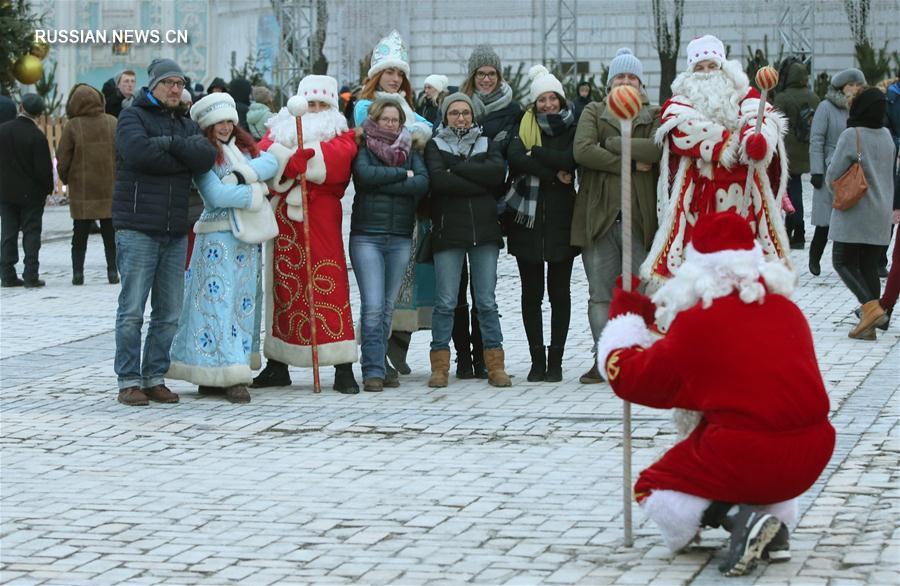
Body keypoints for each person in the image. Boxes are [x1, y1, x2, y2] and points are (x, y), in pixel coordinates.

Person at [595, 211, 835, 577]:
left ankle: (742, 518)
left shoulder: (698, 323)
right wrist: (655, 321)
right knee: (727, 437)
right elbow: (714, 372)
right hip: (812, 454)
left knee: (652, 487)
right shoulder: (787, 310)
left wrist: (626, 320)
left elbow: (631, 378)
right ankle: (772, 524)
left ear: (696, 271)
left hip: (750, 453)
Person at [642, 35, 791, 291]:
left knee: (747, 268)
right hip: (698, 199)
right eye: (699, 68)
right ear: (690, 72)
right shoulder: (680, 100)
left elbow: (762, 119)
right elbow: (680, 127)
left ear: (724, 67)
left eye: (712, 66)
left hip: (747, 199)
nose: (707, 73)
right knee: (696, 274)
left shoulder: (747, 94)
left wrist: (758, 140)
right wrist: (728, 142)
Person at [112, 58, 218, 406]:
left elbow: (204, 156)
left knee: (168, 311)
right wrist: (178, 152)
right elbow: (138, 153)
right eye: (169, 83)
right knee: (132, 310)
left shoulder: (184, 122)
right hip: (138, 226)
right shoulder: (132, 116)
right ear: (153, 85)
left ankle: (154, 375)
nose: (175, 89)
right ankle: (129, 379)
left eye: (180, 83)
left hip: (175, 228)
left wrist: (169, 144)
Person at [167, 93, 278, 404]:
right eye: (219, 122)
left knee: (244, 304)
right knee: (217, 306)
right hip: (216, 239)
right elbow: (215, 195)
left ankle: (232, 366)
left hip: (246, 239)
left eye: (229, 120)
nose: (226, 126)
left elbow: (271, 160)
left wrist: (243, 177)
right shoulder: (204, 156)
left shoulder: (241, 150)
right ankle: (227, 374)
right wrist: (255, 193)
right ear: (207, 125)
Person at [253, 74, 361, 393]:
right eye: (309, 103)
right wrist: (288, 162)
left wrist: (305, 160)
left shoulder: (340, 134)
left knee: (330, 283)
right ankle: (278, 363)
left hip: (321, 216)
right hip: (285, 219)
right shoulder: (280, 129)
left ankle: (342, 365)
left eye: (320, 104)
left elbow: (340, 158)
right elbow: (263, 153)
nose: (313, 110)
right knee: (285, 285)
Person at [573, 48, 661, 384]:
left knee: (639, 291)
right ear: (610, 84)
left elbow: (655, 149)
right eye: (619, 78)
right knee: (600, 294)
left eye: (631, 78)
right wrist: (627, 162)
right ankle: (603, 358)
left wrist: (612, 144)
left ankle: (637, 355)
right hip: (599, 218)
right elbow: (582, 150)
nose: (626, 83)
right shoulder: (594, 111)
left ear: (640, 84)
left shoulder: (652, 116)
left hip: (640, 220)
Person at [354, 30, 434, 384]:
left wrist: (399, 175)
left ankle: (384, 359)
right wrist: (402, 174)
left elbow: (422, 179)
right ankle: (373, 365)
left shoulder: (408, 123)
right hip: (369, 229)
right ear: (376, 74)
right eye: (389, 72)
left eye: (399, 74)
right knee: (374, 303)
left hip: (401, 229)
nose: (395, 78)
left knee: (389, 304)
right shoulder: (362, 111)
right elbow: (366, 175)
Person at [425, 93, 510, 388]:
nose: (460, 118)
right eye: (454, 113)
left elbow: (497, 176)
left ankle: (495, 364)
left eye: (465, 113)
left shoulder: (489, 143)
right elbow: (438, 181)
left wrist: (457, 170)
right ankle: (439, 365)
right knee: (446, 301)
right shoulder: (434, 145)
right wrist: (477, 179)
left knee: (486, 301)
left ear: (473, 116)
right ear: (446, 116)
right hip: (449, 232)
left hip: (484, 231)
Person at [453, 44, 524, 379]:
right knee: (454, 292)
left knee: (485, 293)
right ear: (471, 76)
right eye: (480, 74)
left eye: (491, 74)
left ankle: (482, 355)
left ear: (499, 75)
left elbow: (505, 163)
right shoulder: (455, 106)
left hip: (490, 209)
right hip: (451, 210)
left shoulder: (514, 111)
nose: (485, 79)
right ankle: (462, 359)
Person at [505, 65, 579, 382]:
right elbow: (516, 157)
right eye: (542, 100)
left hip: (563, 221)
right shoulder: (522, 125)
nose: (548, 104)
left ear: (561, 100)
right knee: (531, 295)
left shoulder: (573, 127)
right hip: (527, 222)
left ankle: (557, 361)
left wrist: (537, 152)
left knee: (560, 294)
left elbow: (571, 159)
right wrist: (551, 170)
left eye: (553, 98)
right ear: (534, 103)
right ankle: (537, 360)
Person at [826, 87, 895, 340]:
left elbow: (833, 175)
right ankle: (869, 329)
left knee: (841, 261)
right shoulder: (887, 135)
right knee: (868, 267)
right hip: (881, 212)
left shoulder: (851, 134)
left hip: (855, 212)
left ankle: (871, 309)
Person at [56, 84, 119, 286]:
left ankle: (78, 274)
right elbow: (122, 154)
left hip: (82, 190)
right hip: (109, 187)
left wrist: (66, 179)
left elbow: (63, 157)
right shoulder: (112, 122)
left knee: (79, 235)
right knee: (110, 235)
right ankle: (112, 272)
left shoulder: (73, 126)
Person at [808, 68, 866, 276]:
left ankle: (846, 262)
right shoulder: (826, 107)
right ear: (842, 87)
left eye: (858, 85)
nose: (855, 88)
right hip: (829, 167)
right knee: (824, 221)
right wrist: (816, 170)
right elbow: (817, 140)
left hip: (852, 168)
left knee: (849, 218)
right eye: (852, 84)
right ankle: (814, 257)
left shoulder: (860, 108)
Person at [0, 94, 53, 288]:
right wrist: (47, 190)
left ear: (20, 107)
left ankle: (6, 274)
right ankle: (31, 274)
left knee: (8, 232)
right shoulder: (37, 136)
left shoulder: (3, 131)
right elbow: (44, 170)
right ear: (39, 114)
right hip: (31, 194)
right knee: (31, 233)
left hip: (5, 192)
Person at [774, 60, 820, 250]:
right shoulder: (814, 97)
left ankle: (793, 230)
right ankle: (797, 230)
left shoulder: (782, 97)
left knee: (788, 190)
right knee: (796, 188)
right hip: (804, 148)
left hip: (787, 150)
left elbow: (776, 124)